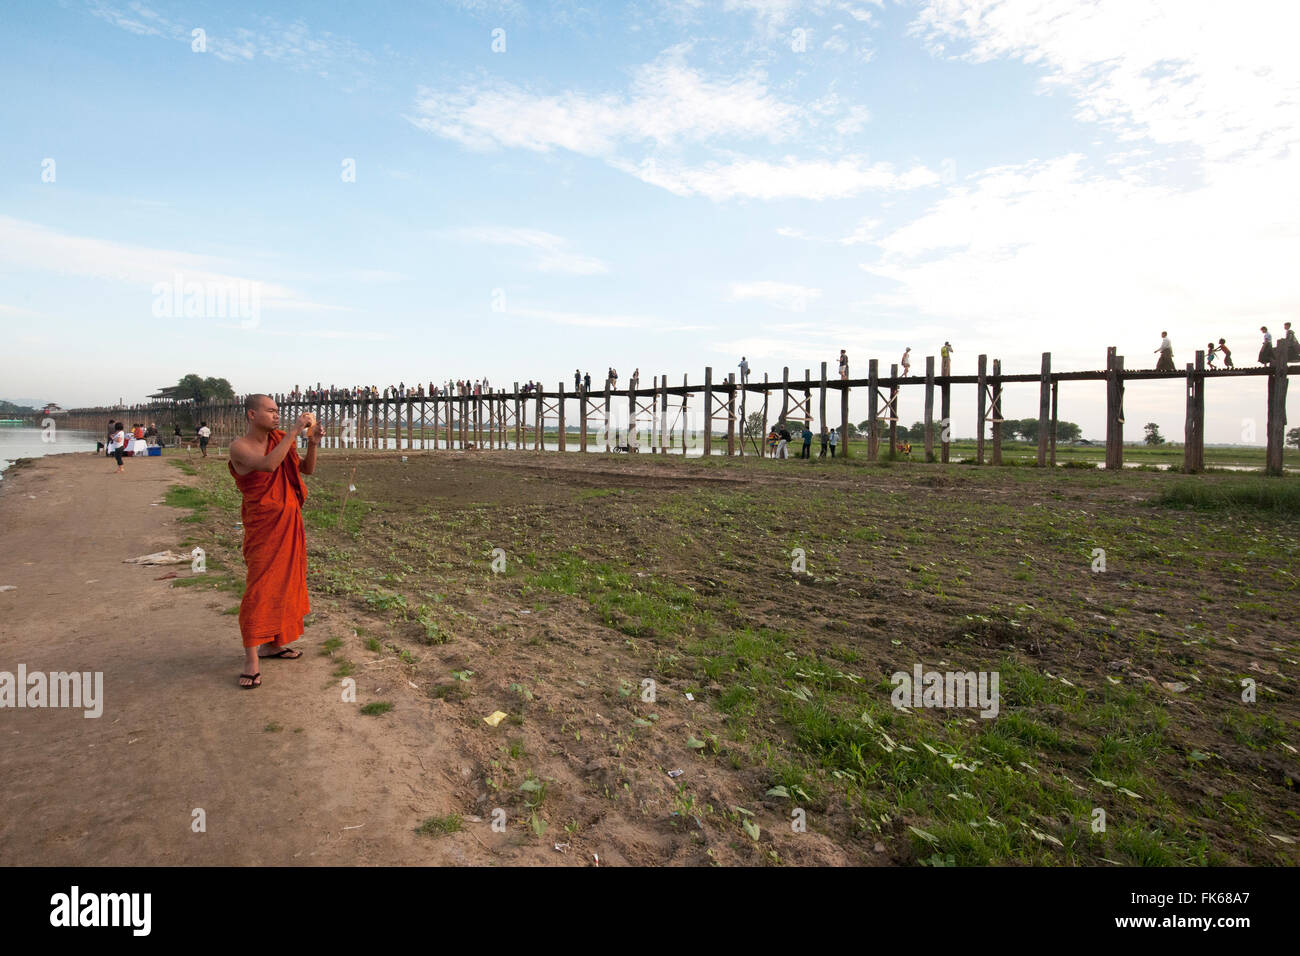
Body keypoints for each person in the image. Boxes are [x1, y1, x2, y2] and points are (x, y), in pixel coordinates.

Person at [228, 394, 322, 690]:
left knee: (285, 582)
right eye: (271, 411)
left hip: (289, 522)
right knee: (260, 587)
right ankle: (251, 658)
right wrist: (295, 431)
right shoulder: (239, 447)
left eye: (278, 411)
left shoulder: (281, 439)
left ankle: (273, 644)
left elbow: (306, 470)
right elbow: (268, 466)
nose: (277, 416)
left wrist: (313, 442)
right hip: (263, 526)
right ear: (252, 415)